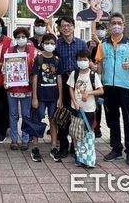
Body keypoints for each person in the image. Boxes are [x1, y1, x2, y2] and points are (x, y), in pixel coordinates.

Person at [95, 12, 129, 168]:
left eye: (119, 23)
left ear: (123, 25)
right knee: (112, 119)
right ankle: (116, 149)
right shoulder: (103, 44)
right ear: (110, 25)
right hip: (108, 87)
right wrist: (95, 68)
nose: (116, 25)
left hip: (126, 87)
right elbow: (99, 66)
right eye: (113, 23)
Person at [54, 16, 88, 158]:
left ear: (74, 27)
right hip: (63, 81)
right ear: (60, 29)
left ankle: (76, 146)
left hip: (79, 83)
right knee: (64, 115)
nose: (66, 28)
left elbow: (87, 62)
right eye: (63, 26)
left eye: (69, 25)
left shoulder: (81, 44)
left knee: (78, 115)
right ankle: (63, 146)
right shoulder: (56, 44)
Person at [67, 49, 104, 167]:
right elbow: (71, 88)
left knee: (87, 133)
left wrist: (89, 93)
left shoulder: (93, 75)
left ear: (89, 61)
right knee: (75, 132)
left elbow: (101, 90)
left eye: (84, 60)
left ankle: (87, 156)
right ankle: (78, 156)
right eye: (79, 60)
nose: (82, 62)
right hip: (76, 108)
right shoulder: (75, 73)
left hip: (89, 109)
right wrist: (74, 102)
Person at [31, 33, 62, 162]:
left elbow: (59, 78)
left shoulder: (57, 60)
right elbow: (35, 78)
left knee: (53, 121)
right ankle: (35, 147)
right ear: (42, 44)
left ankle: (54, 146)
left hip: (54, 96)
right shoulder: (38, 59)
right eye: (47, 43)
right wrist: (34, 97)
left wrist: (61, 97)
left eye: (52, 43)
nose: (49, 45)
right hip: (41, 96)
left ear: (55, 45)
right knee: (37, 120)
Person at [5, 27, 36, 151]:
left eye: (23, 37)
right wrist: (5, 81)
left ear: (27, 38)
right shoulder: (10, 50)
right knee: (13, 115)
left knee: (26, 114)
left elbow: (36, 70)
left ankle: (25, 139)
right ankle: (13, 140)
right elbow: (5, 69)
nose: (21, 39)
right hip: (12, 88)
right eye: (18, 37)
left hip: (27, 87)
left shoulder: (33, 51)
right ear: (15, 38)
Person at [88, 22, 107, 138]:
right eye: (98, 28)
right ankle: (93, 126)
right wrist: (91, 47)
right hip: (92, 77)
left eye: (102, 29)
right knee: (93, 103)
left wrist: (99, 43)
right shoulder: (90, 43)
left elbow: (107, 55)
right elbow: (86, 56)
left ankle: (98, 127)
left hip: (104, 79)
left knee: (101, 103)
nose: (100, 30)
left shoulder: (107, 43)